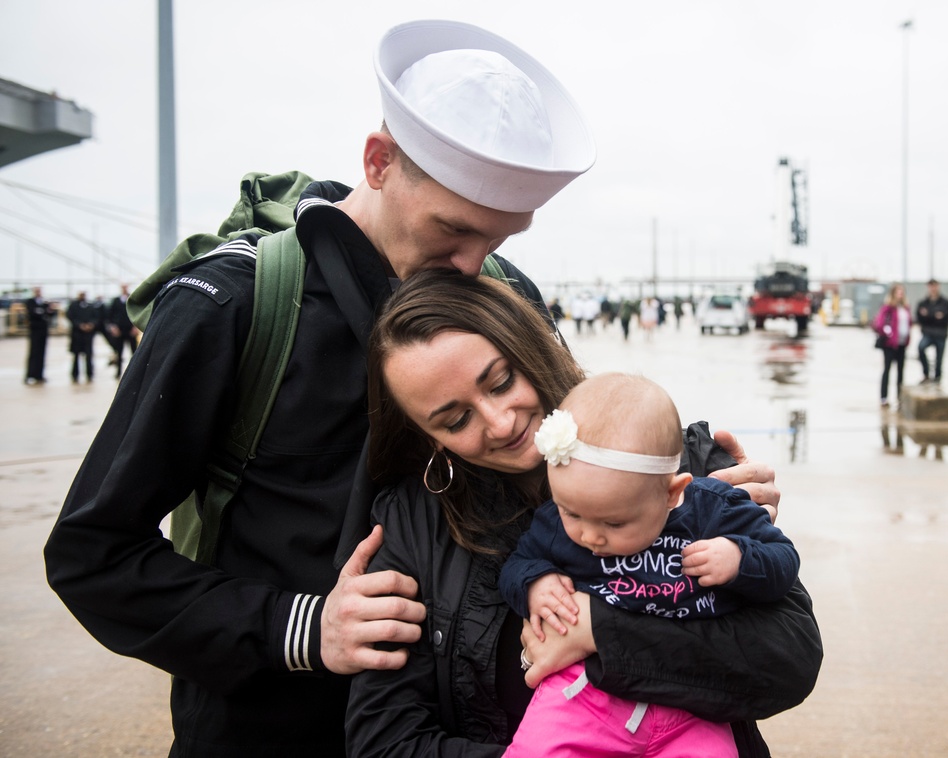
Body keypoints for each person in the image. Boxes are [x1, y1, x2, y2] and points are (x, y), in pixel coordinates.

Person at [44, 20, 613, 756]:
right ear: (378, 161)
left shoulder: (504, 293)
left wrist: (685, 486)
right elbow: (93, 556)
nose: (472, 266)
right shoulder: (229, 306)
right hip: (268, 730)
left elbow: (573, 453)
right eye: (453, 230)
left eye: (499, 240)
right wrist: (304, 627)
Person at [346, 269, 821, 757]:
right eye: (456, 419)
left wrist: (603, 632)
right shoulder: (413, 525)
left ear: (530, 343)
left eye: (502, 381)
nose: (501, 421)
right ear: (432, 438)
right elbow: (382, 740)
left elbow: (790, 659)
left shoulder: (679, 464)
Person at [499, 372, 800, 757]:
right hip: (585, 694)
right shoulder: (556, 525)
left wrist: (740, 557)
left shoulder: (713, 511)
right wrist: (533, 583)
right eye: (571, 513)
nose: (590, 536)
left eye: (614, 522)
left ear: (671, 492)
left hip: (693, 704)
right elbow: (515, 566)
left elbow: (784, 562)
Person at [872, 283, 912, 407]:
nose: (900, 294)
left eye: (902, 292)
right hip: (890, 344)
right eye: (898, 291)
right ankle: (884, 397)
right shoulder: (887, 308)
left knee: (901, 371)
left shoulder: (905, 308)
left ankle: (899, 397)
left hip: (902, 344)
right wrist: (888, 333)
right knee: (887, 370)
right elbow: (878, 324)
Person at [915, 278, 948, 384]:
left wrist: (929, 315)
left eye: (935, 286)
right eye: (931, 286)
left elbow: (946, 318)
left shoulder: (945, 303)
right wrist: (935, 316)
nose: (933, 288)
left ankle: (937, 377)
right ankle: (926, 373)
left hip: (941, 334)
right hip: (928, 333)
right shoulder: (923, 303)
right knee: (921, 348)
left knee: (939, 358)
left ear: (938, 286)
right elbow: (919, 318)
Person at [23, 286, 55, 385]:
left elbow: (50, 313)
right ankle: (30, 375)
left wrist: (45, 311)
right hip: (34, 330)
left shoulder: (44, 302)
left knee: (42, 353)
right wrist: (43, 312)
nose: (38, 292)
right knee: (33, 352)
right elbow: (33, 313)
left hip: (43, 330)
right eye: (36, 291)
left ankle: (39, 375)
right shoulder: (30, 301)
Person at [106, 283, 139, 378]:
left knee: (134, 351)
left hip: (130, 329)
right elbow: (110, 316)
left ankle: (135, 372)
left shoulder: (132, 299)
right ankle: (118, 372)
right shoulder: (116, 301)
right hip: (119, 330)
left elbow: (137, 313)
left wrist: (135, 327)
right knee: (119, 352)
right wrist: (113, 327)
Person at [66, 291, 99, 383]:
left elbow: (96, 318)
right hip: (77, 335)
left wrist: (91, 324)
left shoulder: (90, 306)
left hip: (88, 336)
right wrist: (80, 325)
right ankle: (75, 375)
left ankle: (89, 374)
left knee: (89, 355)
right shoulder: (73, 306)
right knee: (76, 355)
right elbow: (70, 317)